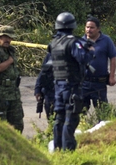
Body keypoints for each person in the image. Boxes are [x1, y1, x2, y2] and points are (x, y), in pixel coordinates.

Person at [50, 12, 94, 151]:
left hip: (58, 86)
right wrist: (90, 50)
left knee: (59, 119)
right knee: (70, 119)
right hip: (71, 87)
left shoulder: (54, 43)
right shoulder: (73, 42)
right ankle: (68, 151)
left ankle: (57, 149)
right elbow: (83, 58)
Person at [0, 26, 23, 132]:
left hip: (13, 92)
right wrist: (10, 61)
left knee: (17, 124)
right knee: (0, 126)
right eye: (5, 37)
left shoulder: (11, 50)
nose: (7, 40)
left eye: (9, 37)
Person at [81, 16, 116, 111]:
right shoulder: (80, 41)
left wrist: (112, 76)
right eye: (87, 27)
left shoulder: (106, 40)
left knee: (103, 112)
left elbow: (113, 58)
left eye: (92, 27)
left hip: (99, 83)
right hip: (83, 83)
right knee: (80, 113)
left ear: (98, 29)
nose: (89, 30)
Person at [33, 51, 54, 118]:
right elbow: (43, 73)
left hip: (67, 94)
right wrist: (38, 90)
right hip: (50, 93)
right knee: (51, 120)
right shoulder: (51, 54)